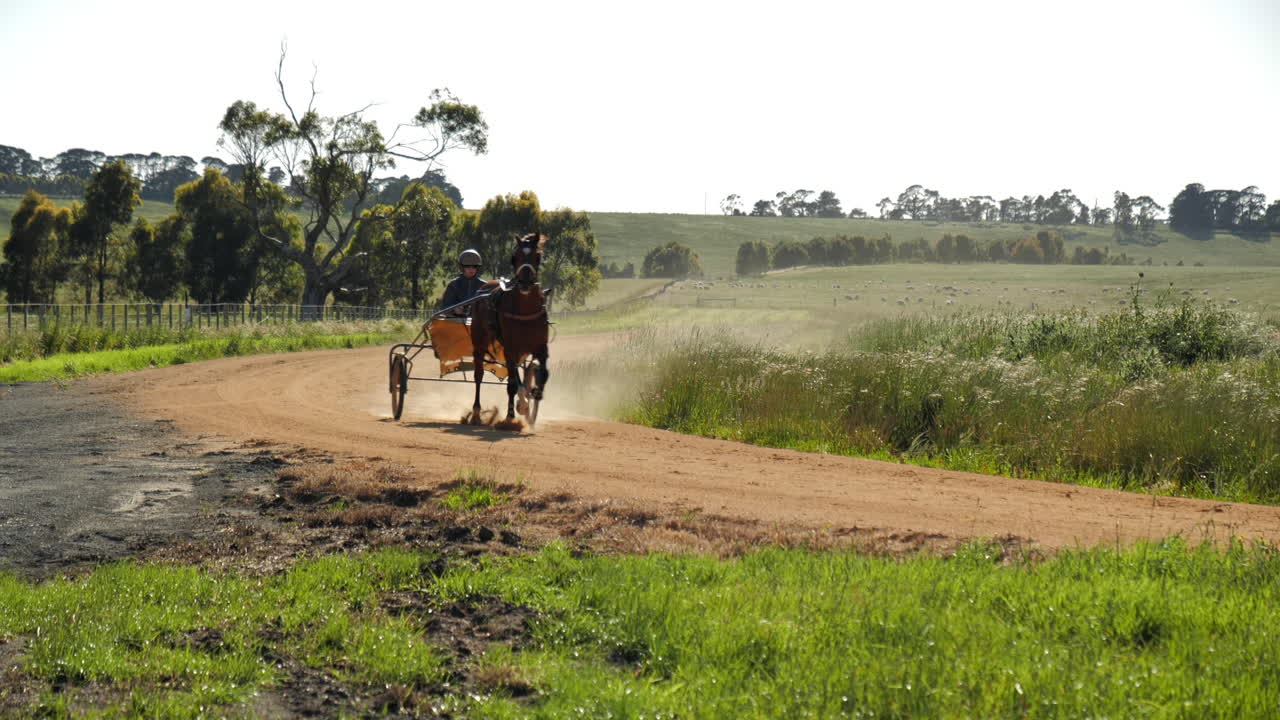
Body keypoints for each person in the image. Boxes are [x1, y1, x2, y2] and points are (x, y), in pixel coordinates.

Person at [440, 249, 488, 315]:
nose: (471, 269)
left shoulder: (484, 286)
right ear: (462, 267)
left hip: (478, 322)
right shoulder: (453, 285)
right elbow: (444, 308)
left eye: (474, 266)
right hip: (456, 322)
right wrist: (454, 310)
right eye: (467, 266)